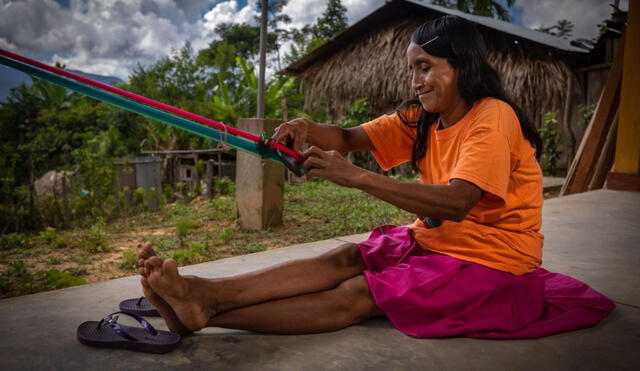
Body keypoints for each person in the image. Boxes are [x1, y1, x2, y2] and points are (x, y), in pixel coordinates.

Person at [137, 15, 614, 339]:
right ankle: (207, 296)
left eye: (426, 68)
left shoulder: (492, 117)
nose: (417, 81)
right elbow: (346, 136)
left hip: (494, 263)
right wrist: (307, 129)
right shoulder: (423, 117)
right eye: (413, 70)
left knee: (361, 295)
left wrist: (357, 179)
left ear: (462, 68)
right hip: (441, 243)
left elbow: (456, 203)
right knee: (347, 256)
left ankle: (208, 312)